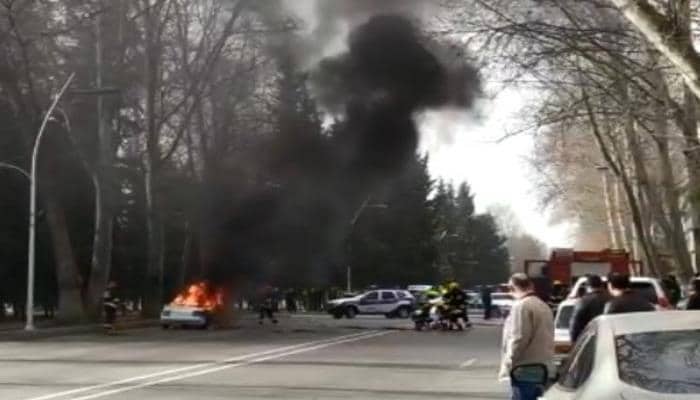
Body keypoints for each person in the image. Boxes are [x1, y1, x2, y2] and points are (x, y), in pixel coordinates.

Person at [499, 273, 554, 400]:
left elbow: (518, 338)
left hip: (524, 369)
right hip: (543, 368)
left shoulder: (521, 306)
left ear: (512, 289)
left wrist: (509, 363)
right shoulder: (543, 305)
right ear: (531, 286)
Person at [569, 275, 610, 342]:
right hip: (608, 338)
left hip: (589, 340)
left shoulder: (583, 301)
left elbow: (574, 325)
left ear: (587, 287)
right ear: (601, 286)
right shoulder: (611, 299)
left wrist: (574, 342)